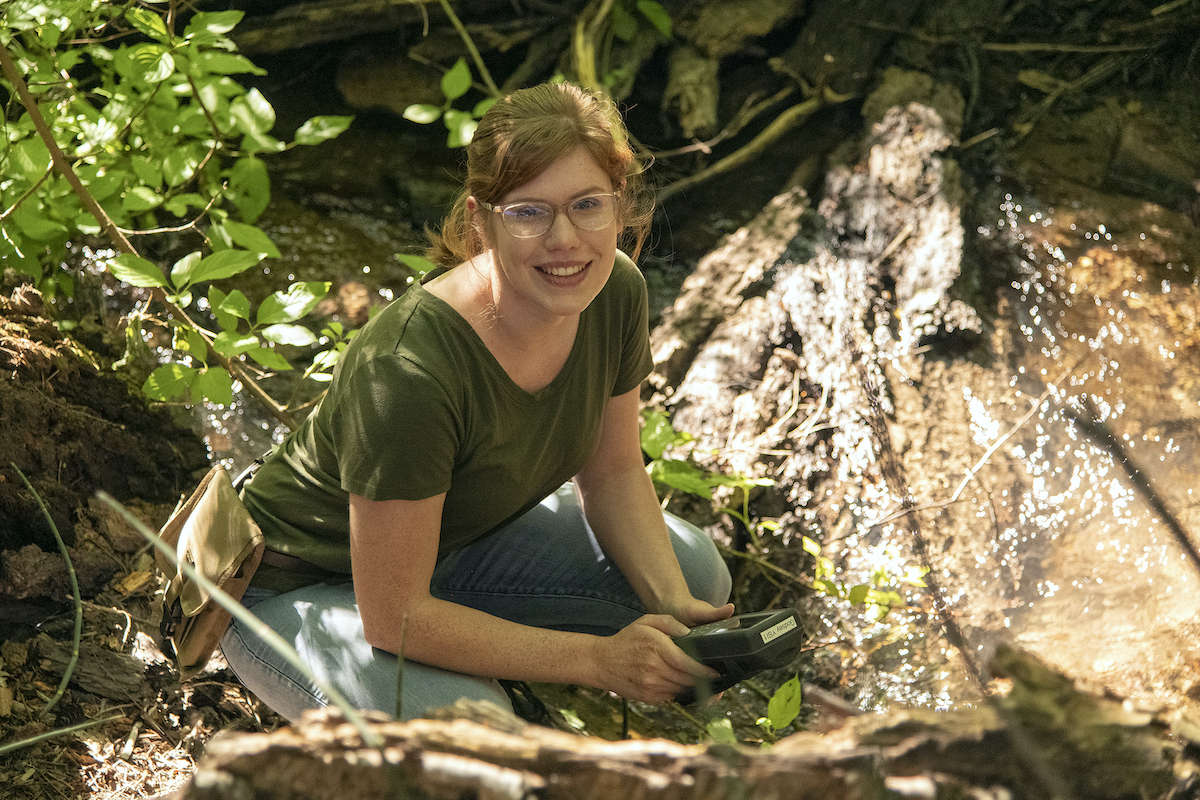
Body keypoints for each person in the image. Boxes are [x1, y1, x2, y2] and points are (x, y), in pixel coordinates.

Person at [220, 81, 734, 722]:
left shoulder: (615, 293)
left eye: (586, 205)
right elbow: (395, 618)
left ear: (619, 204)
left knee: (693, 576)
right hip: (290, 584)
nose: (565, 239)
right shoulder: (408, 370)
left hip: (446, 549)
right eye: (528, 212)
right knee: (471, 730)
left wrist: (672, 607)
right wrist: (598, 661)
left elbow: (614, 472)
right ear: (481, 221)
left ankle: (496, 668)